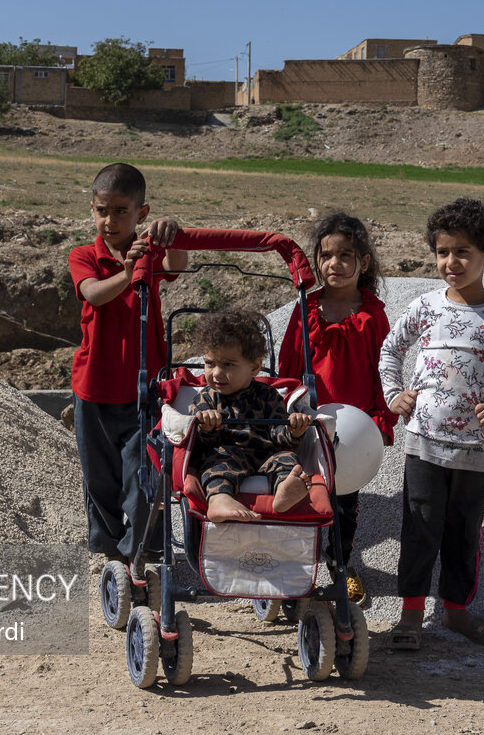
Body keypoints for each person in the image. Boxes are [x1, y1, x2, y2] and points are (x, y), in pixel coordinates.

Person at [378, 198, 484, 650]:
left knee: (464, 531)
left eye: (463, 252)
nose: (451, 262)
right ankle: (411, 614)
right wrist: (395, 394)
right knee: (420, 525)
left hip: (476, 447)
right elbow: (391, 350)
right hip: (424, 442)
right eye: (443, 252)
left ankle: (455, 612)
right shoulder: (426, 306)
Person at [69, 163, 187, 566]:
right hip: (95, 390)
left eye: (122, 211)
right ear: (92, 210)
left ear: (142, 213)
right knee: (100, 481)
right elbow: (95, 294)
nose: (110, 220)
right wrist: (128, 269)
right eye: (103, 211)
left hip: (144, 391)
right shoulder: (84, 255)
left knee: (143, 479)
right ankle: (108, 557)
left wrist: (175, 233)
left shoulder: (151, 252)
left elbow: (178, 265)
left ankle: (141, 555)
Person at [278, 212, 396, 605]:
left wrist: (380, 420)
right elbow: (288, 369)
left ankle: (340, 564)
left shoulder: (373, 315)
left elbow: (385, 372)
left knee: (344, 502)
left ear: (363, 262)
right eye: (326, 255)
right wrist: (285, 413)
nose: (335, 264)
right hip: (306, 423)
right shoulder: (305, 310)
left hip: (351, 429)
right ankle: (295, 571)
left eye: (345, 255)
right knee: (301, 494)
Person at [190, 308, 314, 523]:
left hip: (265, 455)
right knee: (217, 460)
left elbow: (278, 433)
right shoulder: (205, 400)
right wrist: (206, 427)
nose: (217, 373)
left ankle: (285, 491)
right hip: (228, 453)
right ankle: (219, 499)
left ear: (255, 366)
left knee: (287, 459)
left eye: (228, 364)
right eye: (210, 363)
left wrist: (293, 431)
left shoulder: (268, 395)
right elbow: (198, 444)